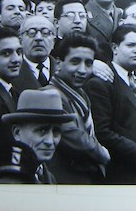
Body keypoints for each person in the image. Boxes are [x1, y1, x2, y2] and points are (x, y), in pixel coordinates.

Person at [86, 24, 136, 183]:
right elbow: (103, 133)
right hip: (119, 172)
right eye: (131, 45)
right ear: (114, 48)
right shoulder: (101, 84)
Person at [46, 32, 110, 184]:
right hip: (67, 179)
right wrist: (103, 153)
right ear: (59, 63)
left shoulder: (80, 93)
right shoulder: (51, 95)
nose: (82, 70)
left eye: (88, 63)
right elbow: (74, 139)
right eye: (75, 62)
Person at [2, 88, 77, 184]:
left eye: (56, 132)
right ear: (17, 132)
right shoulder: (7, 179)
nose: (50, 141)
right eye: (41, 131)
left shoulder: (47, 176)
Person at [12, 16, 57, 93]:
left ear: (53, 42)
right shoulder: (12, 72)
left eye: (45, 33)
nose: (38, 38)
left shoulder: (63, 71)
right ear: (20, 41)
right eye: (31, 33)